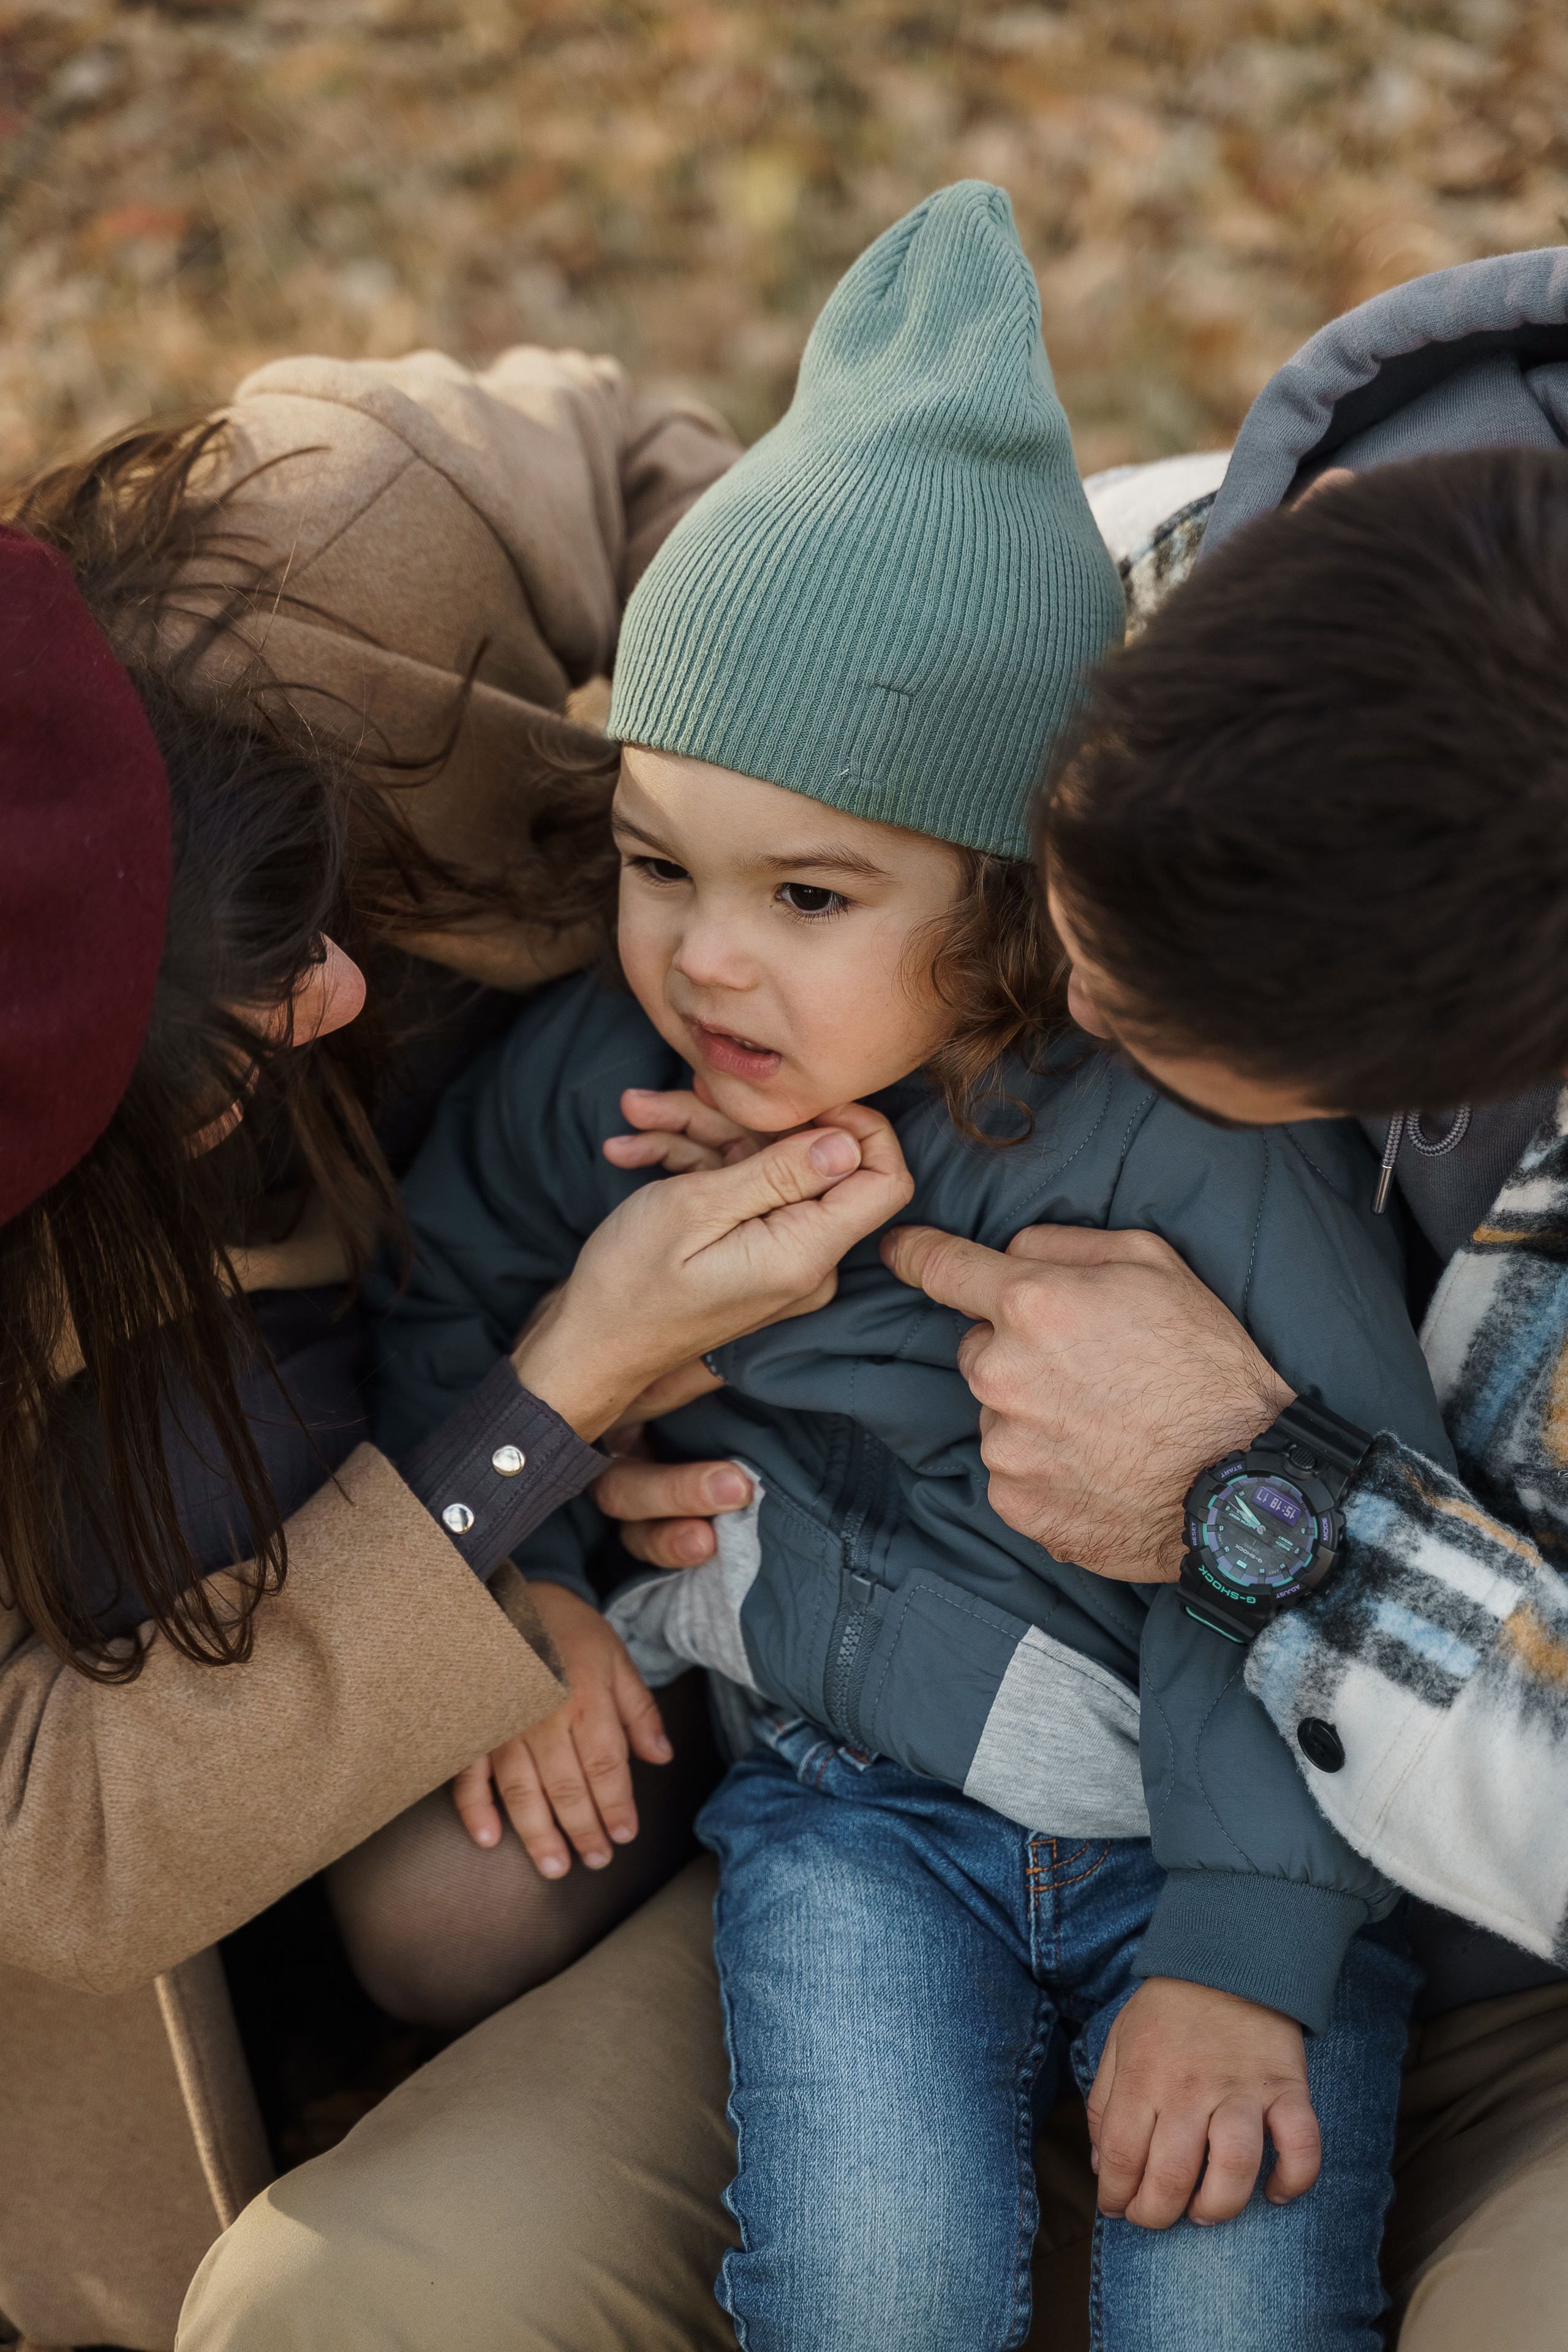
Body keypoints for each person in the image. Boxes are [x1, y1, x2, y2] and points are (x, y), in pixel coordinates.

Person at [361, 184, 1455, 2352]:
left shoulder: (1184, 1129)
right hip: (855, 1826)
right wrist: (539, 1566)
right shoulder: (605, 1071)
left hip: (1212, 1843)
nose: (704, 955)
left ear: (1004, 896)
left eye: (811, 896)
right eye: (656, 863)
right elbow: (443, 1301)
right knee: (866, 2285)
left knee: (1231, 2297)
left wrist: (1247, 1955)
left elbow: (1344, 1526)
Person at [0, 346, 921, 2352]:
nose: (337, 983)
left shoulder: (307, 569)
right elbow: (52, 1854)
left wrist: (784, 880)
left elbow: (684, 468)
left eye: (292, 897)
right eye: (237, 1029)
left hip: (762, 1305)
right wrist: (521, 1480)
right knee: (455, 1902)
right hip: (383, 1619)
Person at [880, 249, 1568, 2348]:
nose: (1058, 1004)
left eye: (1137, 1013)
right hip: (930, 1785)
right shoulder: (1219, 574)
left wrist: (1253, 1498)